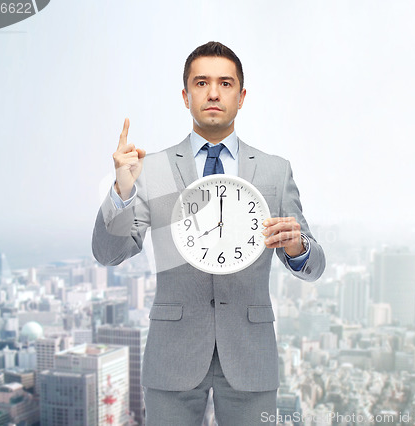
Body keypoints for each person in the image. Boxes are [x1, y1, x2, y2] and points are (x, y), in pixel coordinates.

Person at [92, 41, 326, 426]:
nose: (213, 93)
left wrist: (297, 245)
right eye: (201, 83)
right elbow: (107, 253)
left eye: (225, 83)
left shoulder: (274, 171)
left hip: (251, 354)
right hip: (173, 355)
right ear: (185, 96)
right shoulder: (152, 170)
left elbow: (314, 266)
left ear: (241, 96)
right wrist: (121, 191)